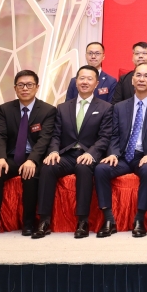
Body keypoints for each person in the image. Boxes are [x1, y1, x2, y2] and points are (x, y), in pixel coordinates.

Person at [34, 66, 115, 239]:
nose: (85, 82)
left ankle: (83, 221)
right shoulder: (63, 107)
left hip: (88, 154)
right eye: (81, 78)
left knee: (83, 168)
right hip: (66, 154)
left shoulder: (106, 107)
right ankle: (44, 220)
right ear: (76, 82)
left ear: (96, 83)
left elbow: (104, 137)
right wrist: (53, 151)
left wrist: (91, 153)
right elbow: (56, 135)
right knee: (48, 167)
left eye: (89, 79)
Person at [93, 62, 147, 238]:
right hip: (123, 156)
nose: (142, 79)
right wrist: (113, 153)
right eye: (138, 75)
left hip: (145, 156)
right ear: (132, 80)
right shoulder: (119, 107)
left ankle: (139, 220)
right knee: (101, 169)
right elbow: (113, 135)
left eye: (146, 76)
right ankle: (109, 220)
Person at [0, 70, 56, 237]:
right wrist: (0, 158)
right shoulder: (6, 109)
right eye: (21, 85)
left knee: (30, 175)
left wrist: (32, 160)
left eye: (29, 85)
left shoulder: (47, 110)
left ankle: (28, 223)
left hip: (34, 157)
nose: (25, 88)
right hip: (11, 157)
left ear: (37, 87)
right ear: (15, 88)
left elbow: (44, 140)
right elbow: (0, 136)